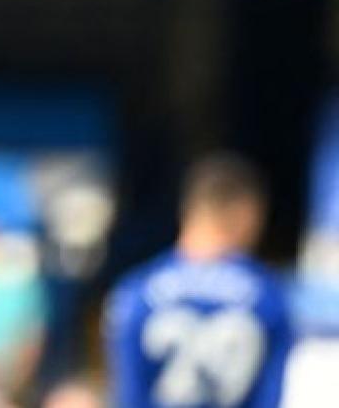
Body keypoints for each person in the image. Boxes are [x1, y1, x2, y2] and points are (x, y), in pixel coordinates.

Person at [104, 153, 293, 408]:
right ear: (246, 214)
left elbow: (129, 396)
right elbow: (269, 397)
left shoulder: (135, 293)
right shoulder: (268, 296)